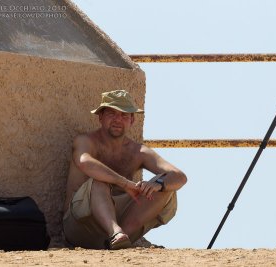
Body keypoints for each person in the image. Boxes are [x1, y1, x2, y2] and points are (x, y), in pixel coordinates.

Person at [63, 89, 187, 250]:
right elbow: (85, 163)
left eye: (124, 115)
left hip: (120, 232)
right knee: (99, 182)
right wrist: (125, 183)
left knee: (164, 185)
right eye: (111, 114)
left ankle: (120, 238)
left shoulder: (138, 151)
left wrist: (158, 184)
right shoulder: (85, 141)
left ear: (132, 120)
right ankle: (116, 233)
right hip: (80, 227)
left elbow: (180, 176)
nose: (117, 120)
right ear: (100, 117)